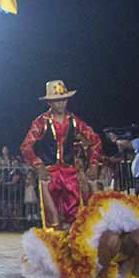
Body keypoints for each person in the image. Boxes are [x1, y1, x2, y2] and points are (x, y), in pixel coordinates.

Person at [20, 80, 102, 229]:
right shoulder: (41, 122)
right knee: (53, 221)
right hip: (49, 175)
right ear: (49, 103)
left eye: (63, 100)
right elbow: (26, 146)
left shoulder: (74, 121)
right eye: (56, 101)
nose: (60, 104)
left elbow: (95, 140)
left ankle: (74, 249)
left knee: (75, 218)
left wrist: (94, 164)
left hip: (70, 174)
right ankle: (54, 249)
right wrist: (39, 167)